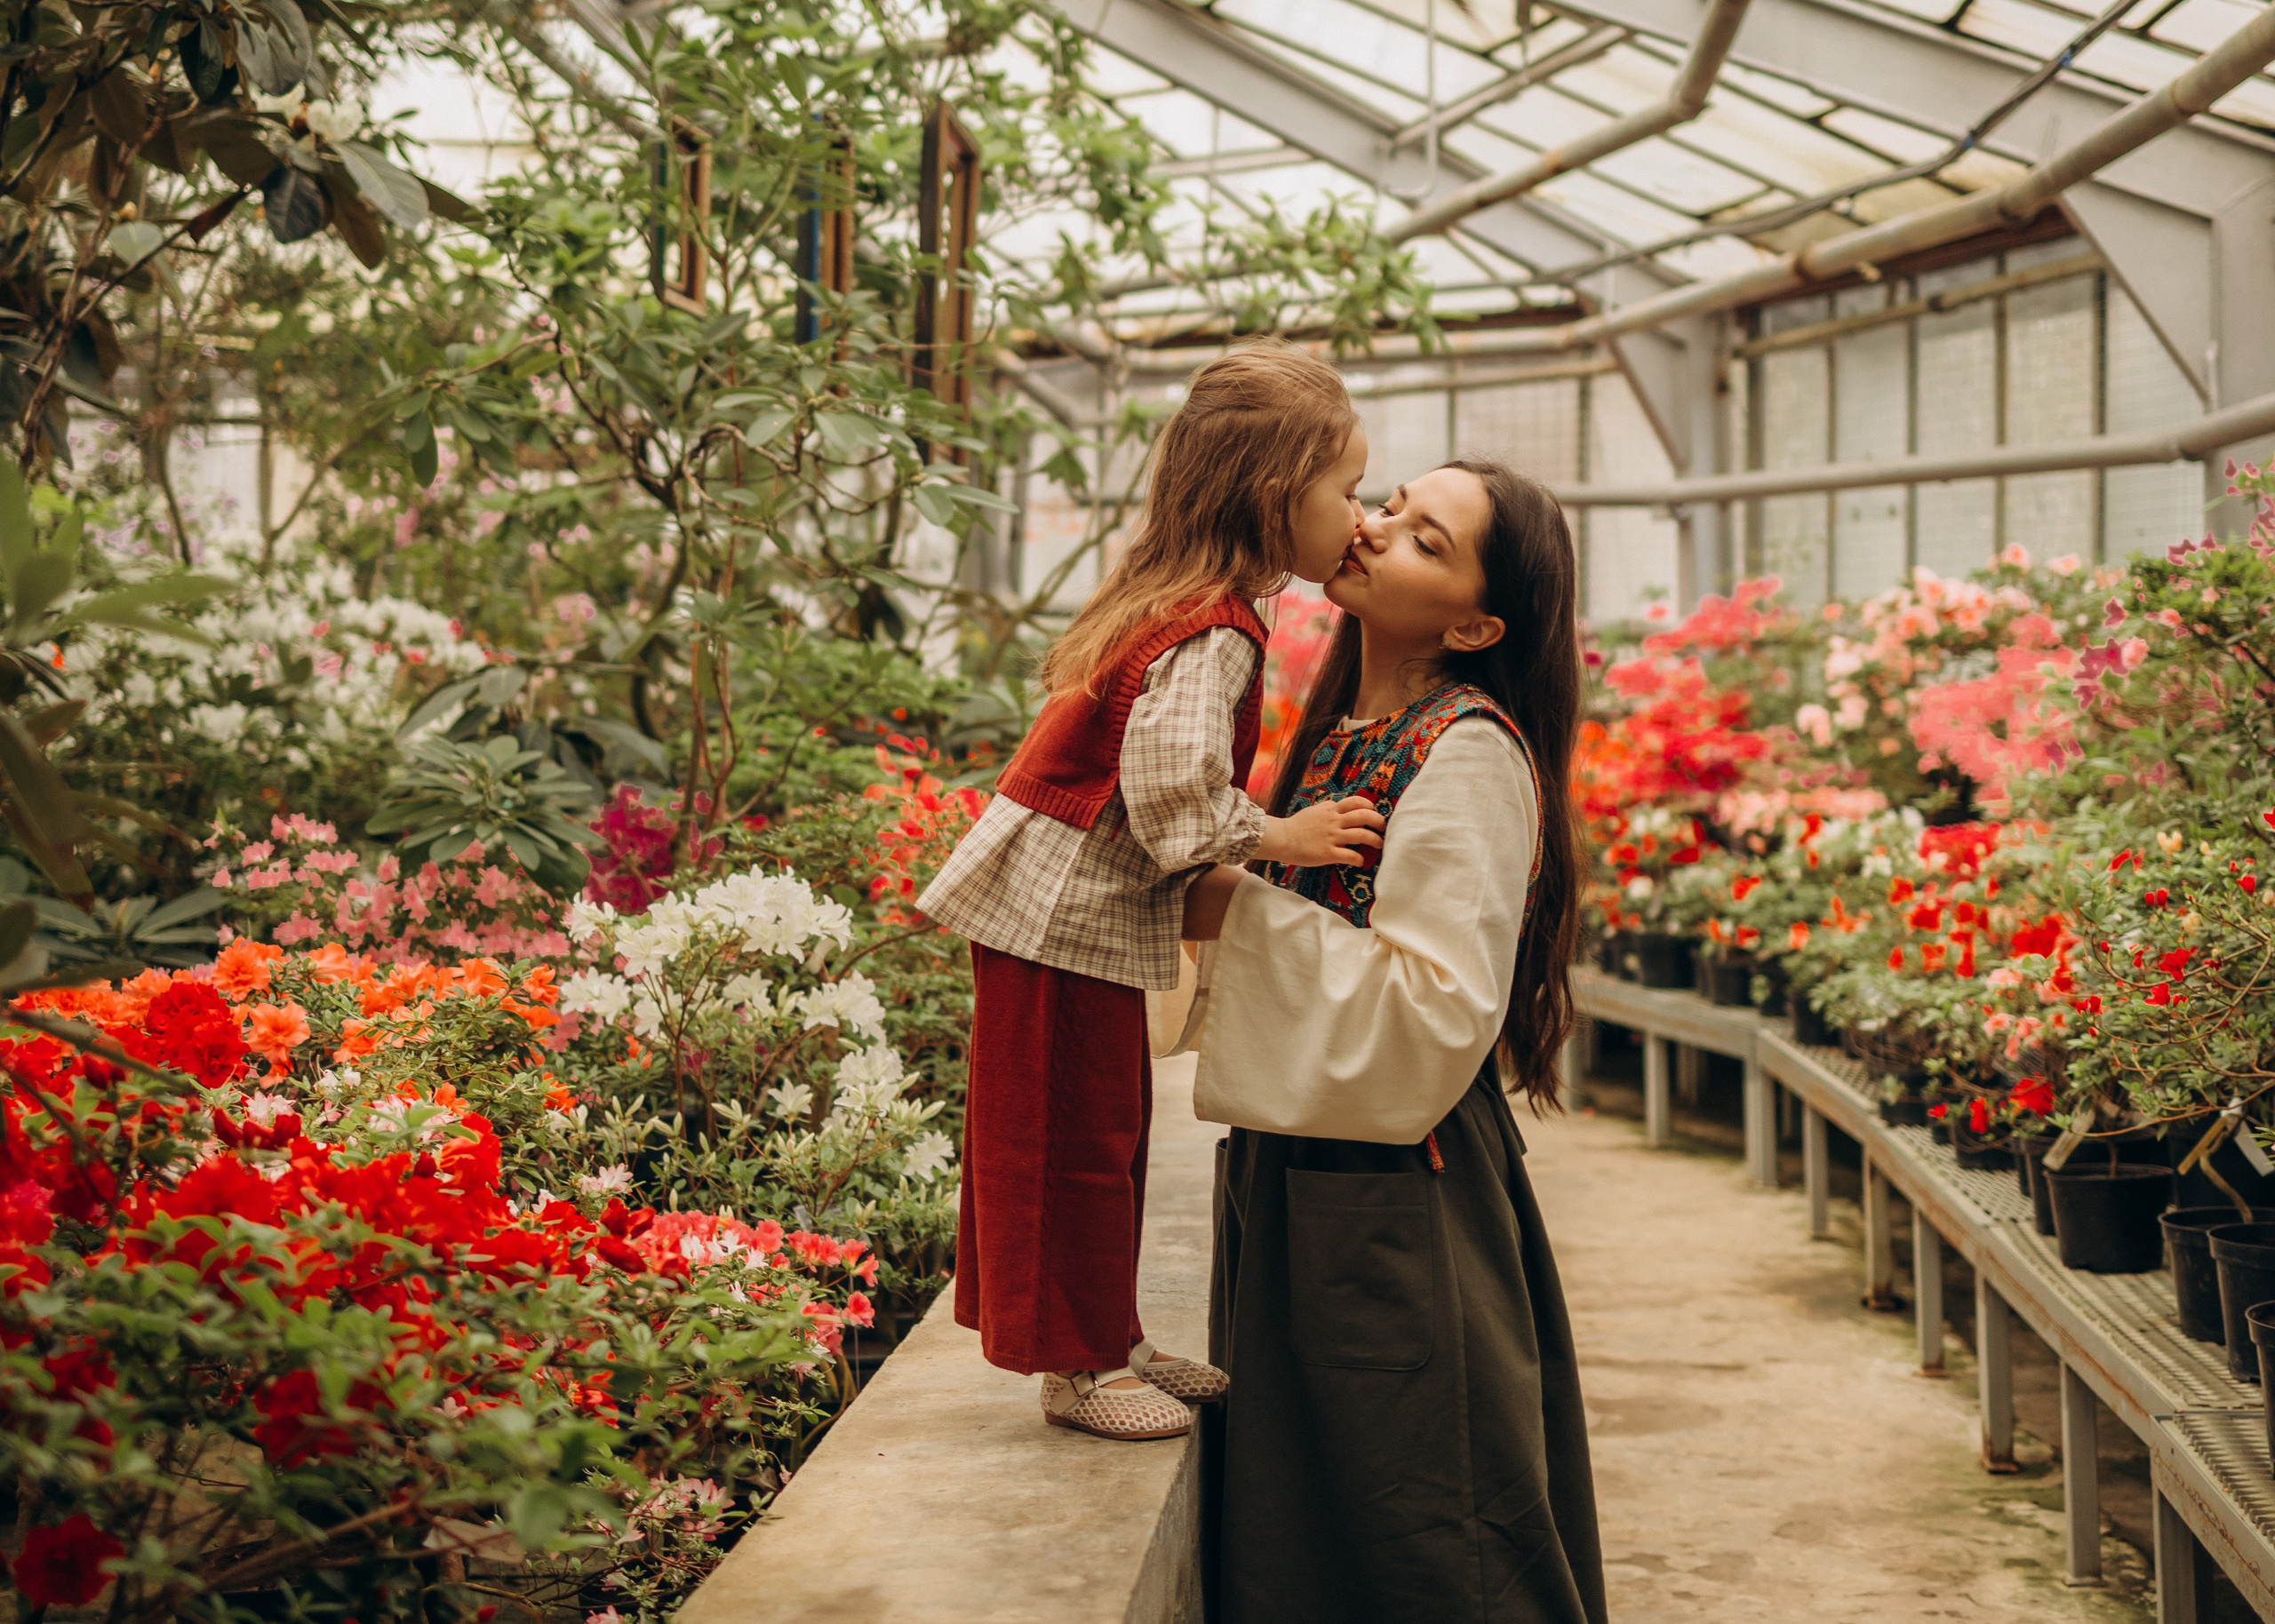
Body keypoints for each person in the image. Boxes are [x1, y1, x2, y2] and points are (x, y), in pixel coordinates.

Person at [917, 338, 1390, 1442]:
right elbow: (1177, 806)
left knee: (1105, 1131)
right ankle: (1074, 1367)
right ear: (1278, 497)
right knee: (1066, 1142)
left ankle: (1107, 1335)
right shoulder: (1214, 630)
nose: (1360, 518)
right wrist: (1289, 835)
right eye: (1349, 491)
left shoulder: (1183, 596)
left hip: (1064, 919)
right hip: (1056, 926)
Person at [1174, 458, 1608, 1621]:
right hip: (1313, 1173)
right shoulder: (1345, 738)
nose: (1377, 530)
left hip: (1397, 1194)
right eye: (1394, 505)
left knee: (1433, 1534)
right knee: (1316, 1527)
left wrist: (1230, 909)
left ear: (1475, 622)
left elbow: (1436, 1010)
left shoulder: (1465, 751)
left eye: (1428, 539)